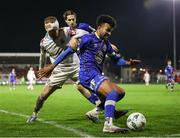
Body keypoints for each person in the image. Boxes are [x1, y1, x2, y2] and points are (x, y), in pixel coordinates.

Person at [37, 15, 140, 133]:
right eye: (107, 30)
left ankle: (94, 112)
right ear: (99, 27)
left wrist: (128, 63)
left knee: (120, 93)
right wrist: (52, 66)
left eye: (111, 31)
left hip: (96, 74)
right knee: (112, 93)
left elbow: (116, 60)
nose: (109, 33)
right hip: (87, 74)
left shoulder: (106, 44)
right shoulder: (87, 38)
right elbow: (69, 50)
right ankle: (108, 125)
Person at [26, 16, 104, 123]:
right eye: (50, 31)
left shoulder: (68, 32)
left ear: (58, 27)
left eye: (54, 30)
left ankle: (103, 109)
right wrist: (41, 69)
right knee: (43, 95)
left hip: (76, 66)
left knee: (91, 87)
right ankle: (34, 113)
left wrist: (104, 41)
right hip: (59, 70)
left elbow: (87, 33)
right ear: (46, 29)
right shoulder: (44, 42)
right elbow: (42, 56)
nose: (53, 33)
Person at [62, 10, 128, 123]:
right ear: (65, 21)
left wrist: (109, 44)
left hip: (89, 62)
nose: (72, 21)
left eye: (73, 19)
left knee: (103, 91)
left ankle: (98, 111)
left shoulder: (84, 27)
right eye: (69, 20)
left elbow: (98, 33)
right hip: (78, 63)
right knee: (85, 87)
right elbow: (67, 45)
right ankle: (105, 114)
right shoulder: (63, 32)